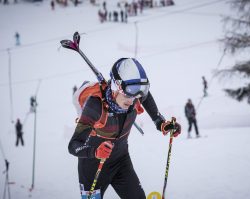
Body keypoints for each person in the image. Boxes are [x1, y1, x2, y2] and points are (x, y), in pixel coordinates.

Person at [68, 58, 181, 199]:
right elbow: (73, 145)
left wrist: (161, 123)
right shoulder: (95, 106)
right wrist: (95, 151)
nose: (133, 100)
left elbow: (146, 97)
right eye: (128, 94)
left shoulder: (135, 95)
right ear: (116, 88)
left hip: (120, 162)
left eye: (137, 94)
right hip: (93, 168)